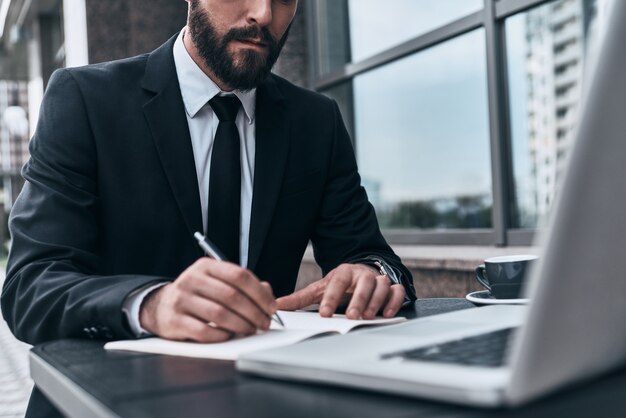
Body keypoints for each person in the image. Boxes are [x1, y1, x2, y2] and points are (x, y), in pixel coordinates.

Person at [1, 0, 415, 416]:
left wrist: (371, 276)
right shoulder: (85, 100)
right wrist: (150, 304)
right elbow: (30, 286)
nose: (264, 15)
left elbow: (375, 257)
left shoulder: (316, 121)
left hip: (262, 403)